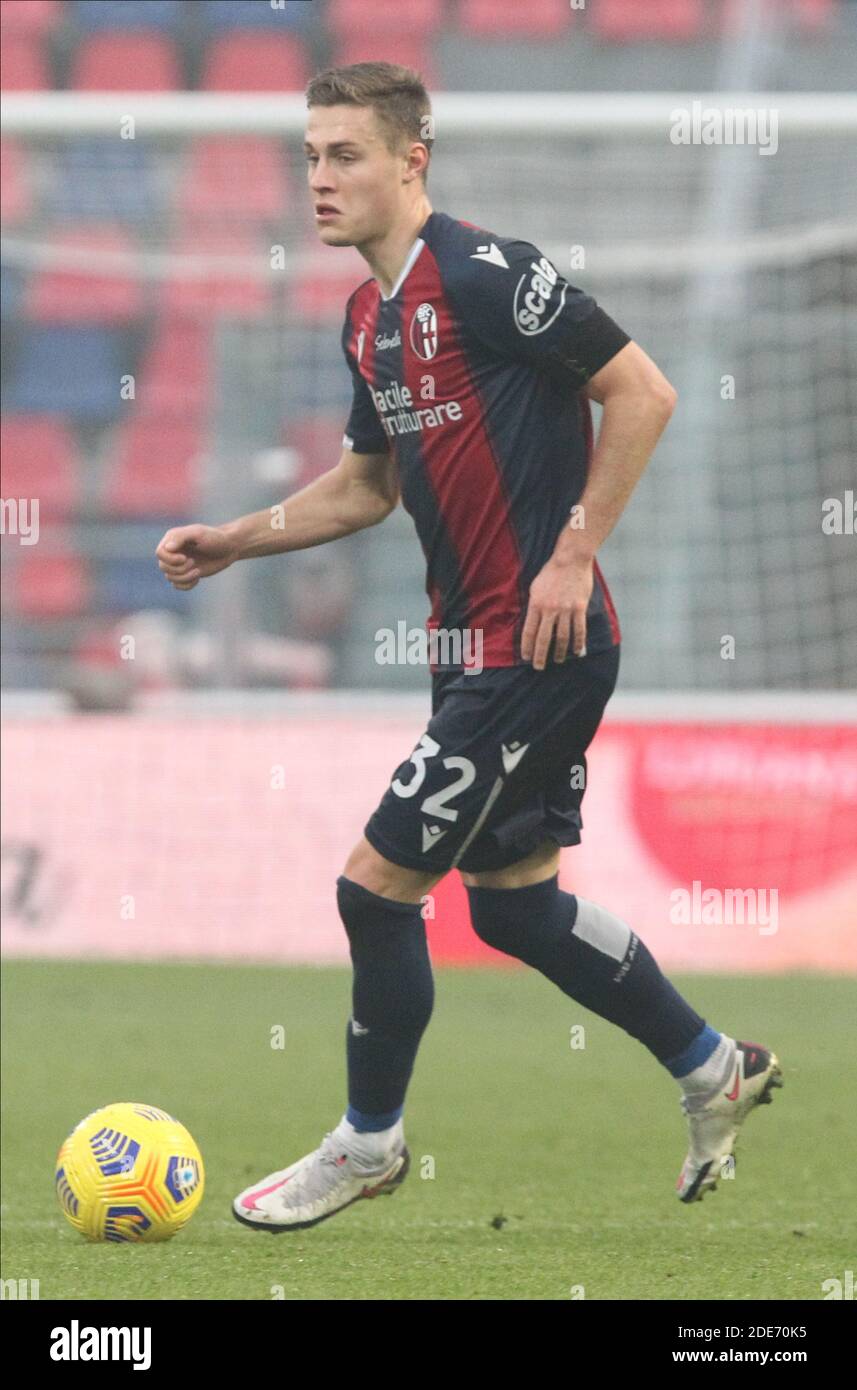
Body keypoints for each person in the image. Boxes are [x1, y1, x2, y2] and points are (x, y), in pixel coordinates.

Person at [156, 63, 782, 1233]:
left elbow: (641, 391)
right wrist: (235, 541)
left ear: (411, 161)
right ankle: (710, 1067)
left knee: (374, 888)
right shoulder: (367, 318)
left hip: (532, 646)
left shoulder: (493, 273)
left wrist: (571, 548)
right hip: (471, 651)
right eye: (308, 155)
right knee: (510, 911)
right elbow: (362, 488)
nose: (320, 179)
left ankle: (369, 1141)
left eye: (345, 155)